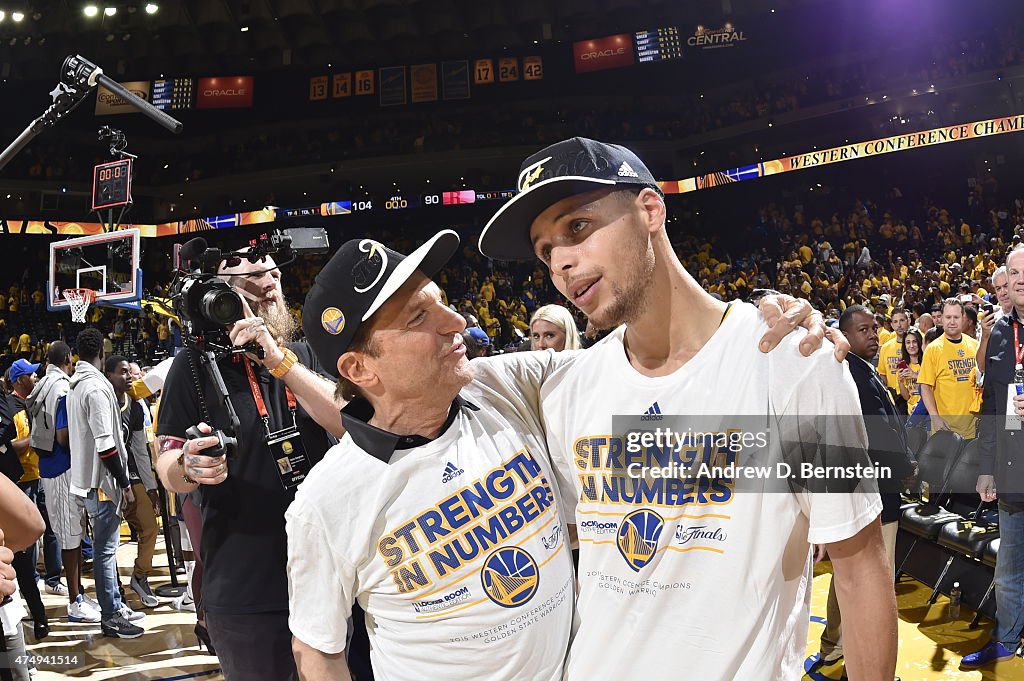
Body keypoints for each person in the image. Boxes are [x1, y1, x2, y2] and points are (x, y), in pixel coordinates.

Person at [477, 137, 893, 681]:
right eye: (544, 251)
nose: (560, 262)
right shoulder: (568, 389)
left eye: (576, 227)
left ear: (651, 209)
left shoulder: (795, 359)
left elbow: (859, 565)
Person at [288, 232, 575, 681]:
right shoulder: (324, 502)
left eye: (442, 300)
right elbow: (317, 651)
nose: (456, 320)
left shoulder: (503, 385)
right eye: (419, 316)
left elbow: (633, 366)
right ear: (359, 368)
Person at [155, 246, 343, 680]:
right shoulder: (192, 366)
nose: (268, 285)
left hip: (329, 575)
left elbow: (348, 424)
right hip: (247, 585)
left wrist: (279, 361)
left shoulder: (304, 355)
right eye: (251, 280)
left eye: (273, 275)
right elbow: (168, 461)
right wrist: (187, 466)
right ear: (219, 300)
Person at [814, 305, 916, 676]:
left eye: (875, 328)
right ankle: (864, 667)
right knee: (874, 580)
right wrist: (905, 468)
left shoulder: (860, 370)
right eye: (862, 329)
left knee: (850, 575)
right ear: (844, 335)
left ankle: (833, 647)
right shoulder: (852, 374)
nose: (872, 334)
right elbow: (880, 434)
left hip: (860, 490)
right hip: (876, 491)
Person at [67, 328, 145, 638]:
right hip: (102, 482)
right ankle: (111, 615)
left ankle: (115, 605)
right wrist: (125, 482)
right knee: (105, 552)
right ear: (102, 350)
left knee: (104, 550)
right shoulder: (96, 389)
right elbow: (106, 444)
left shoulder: (76, 385)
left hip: (86, 479)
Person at [968, 246, 1024, 666]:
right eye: (1013, 272)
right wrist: (986, 468)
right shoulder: (1002, 332)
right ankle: (1006, 640)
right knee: (1008, 567)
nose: (1020, 279)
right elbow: (990, 406)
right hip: (1013, 464)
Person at [24, 341, 99, 622]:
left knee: (71, 534)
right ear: (69, 358)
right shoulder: (61, 387)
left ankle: (77, 591)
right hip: (62, 467)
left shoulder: (44, 382)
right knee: (70, 537)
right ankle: (74, 601)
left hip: (48, 467)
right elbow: (63, 436)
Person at [103, 355, 160, 609]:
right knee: (108, 541)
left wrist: (151, 487)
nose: (128, 377)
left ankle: (140, 576)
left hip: (130, 475)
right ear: (109, 375)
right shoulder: (103, 403)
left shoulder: (135, 406)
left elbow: (139, 450)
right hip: (103, 478)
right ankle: (113, 593)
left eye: (129, 372)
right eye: (122, 372)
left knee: (150, 526)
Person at [918, 298, 979, 438]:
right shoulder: (933, 349)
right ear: (942, 319)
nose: (952, 321)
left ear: (963, 318)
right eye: (948, 317)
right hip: (945, 428)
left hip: (974, 429)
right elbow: (925, 386)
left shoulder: (975, 345)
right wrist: (934, 417)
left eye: (956, 317)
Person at [877, 309, 911, 409]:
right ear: (891, 325)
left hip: (914, 395)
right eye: (895, 322)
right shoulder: (886, 347)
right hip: (894, 396)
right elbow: (883, 374)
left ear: (908, 321)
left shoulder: (916, 344)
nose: (899, 325)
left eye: (902, 320)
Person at [898, 327, 925, 415]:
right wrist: (901, 382)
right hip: (912, 413)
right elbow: (906, 397)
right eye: (908, 342)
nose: (911, 346)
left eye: (914, 341)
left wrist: (917, 376)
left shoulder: (927, 363)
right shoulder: (903, 367)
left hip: (927, 411)